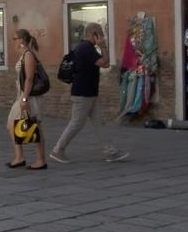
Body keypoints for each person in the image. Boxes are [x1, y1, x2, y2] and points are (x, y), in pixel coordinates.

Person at [50, 23, 130, 164]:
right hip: (83, 93)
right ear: (94, 34)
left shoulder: (88, 48)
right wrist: (103, 46)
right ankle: (58, 150)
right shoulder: (86, 48)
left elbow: (104, 64)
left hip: (90, 93)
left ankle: (110, 152)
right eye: (100, 34)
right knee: (76, 123)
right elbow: (105, 62)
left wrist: (101, 47)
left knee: (99, 123)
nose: (102, 37)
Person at [6, 29, 47, 170]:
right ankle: (21, 157)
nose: (13, 41)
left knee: (28, 125)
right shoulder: (25, 54)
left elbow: (29, 79)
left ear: (21, 40)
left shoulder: (28, 55)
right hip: (23, 95)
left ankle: (37, 160)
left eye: (14, 38)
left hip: (29, 97)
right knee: (29, 126)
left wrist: (24, 99)